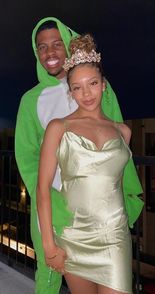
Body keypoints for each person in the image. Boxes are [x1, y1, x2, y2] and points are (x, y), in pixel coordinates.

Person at [15, 17, 143, 293]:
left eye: (57, 44)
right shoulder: (31, 102)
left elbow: (119, 153)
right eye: (42, 47)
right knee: (47, 277)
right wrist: (52, 222)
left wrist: (128, 202)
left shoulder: (99, 89)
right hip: (62, 211)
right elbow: (27, 159)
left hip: (109, 223)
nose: (49, 53)